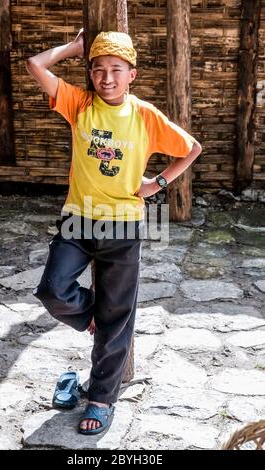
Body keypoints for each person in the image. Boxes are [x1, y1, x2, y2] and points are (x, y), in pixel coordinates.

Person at [26, 29, 202, 435]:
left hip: (124, 222)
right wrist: (72, 48)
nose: (106, 78)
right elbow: (36, 65)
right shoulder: (79, 104)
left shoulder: (144, 114)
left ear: (131, 75)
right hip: (77, 218)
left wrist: (155, 184)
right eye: (98, 69)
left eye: (116, 70)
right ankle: (92, 314)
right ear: (89, 74)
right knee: (53, 290)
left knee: (117, 316)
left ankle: (102, 398)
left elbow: (190, 148)